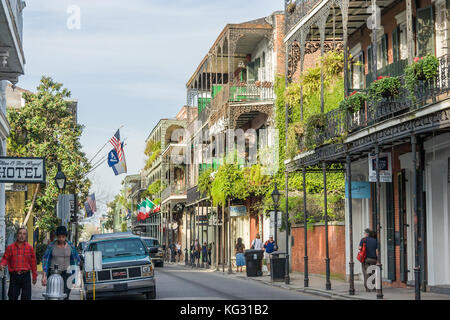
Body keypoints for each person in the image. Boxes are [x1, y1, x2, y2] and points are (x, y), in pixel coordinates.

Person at [42, 226, 80, 300]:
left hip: (67, 273)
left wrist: (75, 277)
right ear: (57, 236)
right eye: (59, 237)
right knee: (53, 296)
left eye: (63, 237)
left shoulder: (71, 246)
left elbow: (76, 260)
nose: (61, 239)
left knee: (65, 296)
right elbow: (45, 260)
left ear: (66, 236)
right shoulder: (51, 246)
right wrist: (44, 276)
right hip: (53, 273)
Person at [0, 228, 37, 300]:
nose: (22, 236)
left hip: (26, 276)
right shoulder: (10, 248)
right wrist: (2, 264)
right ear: (17, 235)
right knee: (12, 296)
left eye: (24, 234)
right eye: (20, 233)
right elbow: (5, 258)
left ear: (26, 236)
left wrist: (34, 276)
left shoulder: (29, 248)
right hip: (14, 276)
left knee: (26, 297)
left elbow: (33, 263)